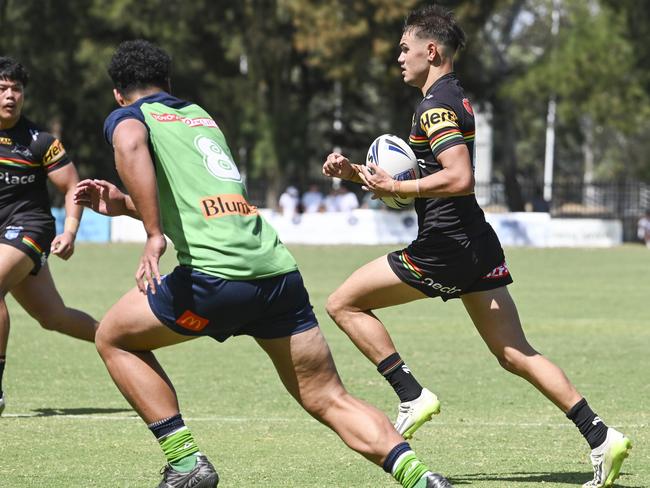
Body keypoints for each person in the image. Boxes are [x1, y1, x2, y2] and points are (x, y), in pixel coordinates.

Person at [74, 39, 452, 488]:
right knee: (328, 397)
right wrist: (125, 205)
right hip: (277, 275)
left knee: (113, 338)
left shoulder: (129, 117)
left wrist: (154, 235)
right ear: (169, 84)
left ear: (119, 94)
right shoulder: (199, 117)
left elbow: (130, 143)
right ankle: (420, 477)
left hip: (216, 279)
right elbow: (201, 205)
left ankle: (186, 461)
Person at [322, 6, 631, 488]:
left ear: (432, 51)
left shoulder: (435, 106)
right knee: (514, 352)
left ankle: (410, 393)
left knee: (342, 302)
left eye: (405, 49)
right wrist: (360, 176)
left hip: (444, 247)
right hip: (474, 242)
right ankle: (601, 435)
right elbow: (426, 180)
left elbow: (460, 177)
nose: (399, 58)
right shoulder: (452, 98)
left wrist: (400, 190)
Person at [0, 57, 97, 415]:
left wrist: (71, 230)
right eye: (2, 89)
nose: (10, 96)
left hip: (31, 227)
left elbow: (73, 186)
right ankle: (118, 339)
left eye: (16, 89)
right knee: (52, 317)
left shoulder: (39, 141)